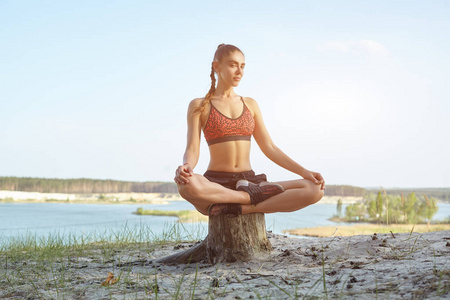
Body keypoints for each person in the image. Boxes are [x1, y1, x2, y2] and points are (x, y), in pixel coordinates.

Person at [174, 43, 325, 217]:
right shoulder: (200, 105)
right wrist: (186, 166)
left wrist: (304, 172)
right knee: (186, 185)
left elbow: (270, 148)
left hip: (250, 182)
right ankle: (247, 198)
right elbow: (192, 148)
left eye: (242, 66)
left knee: (315, 189)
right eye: (233, 65)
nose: (239, 71)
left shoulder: (250, 104)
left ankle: (244, 207)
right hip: (216, 183)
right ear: (217, 66)